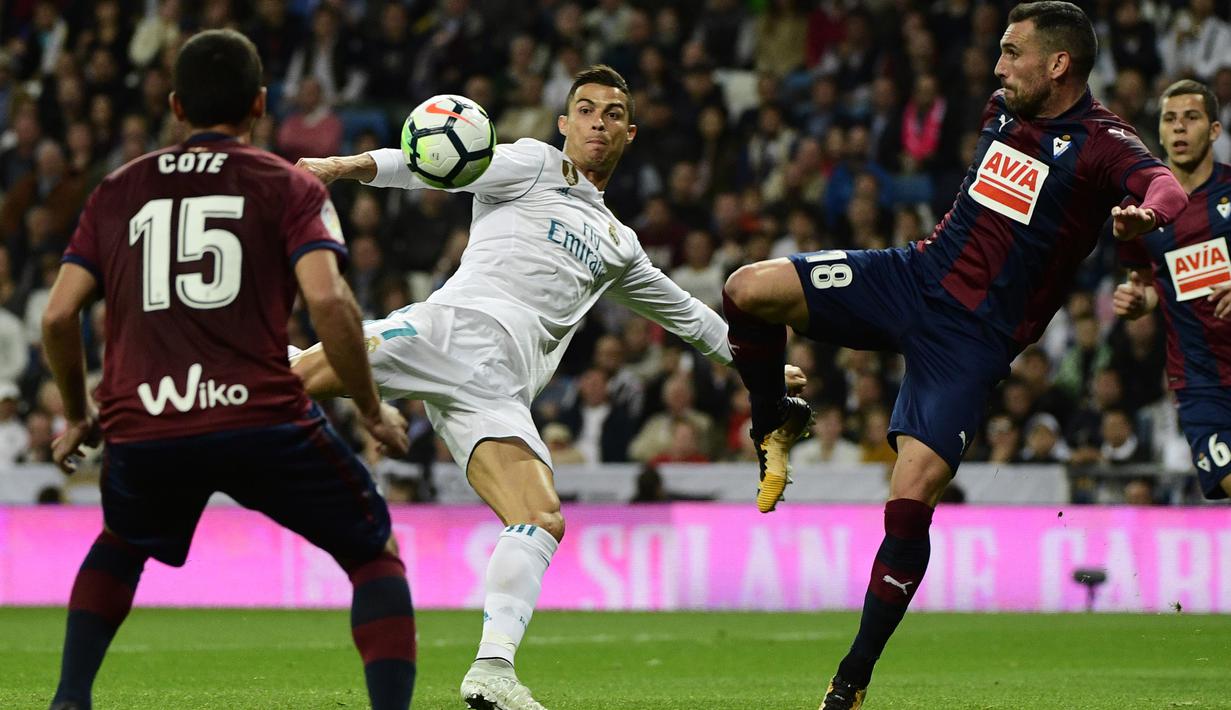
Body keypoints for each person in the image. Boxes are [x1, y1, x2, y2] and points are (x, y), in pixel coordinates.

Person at [720, 3, 1188, 708]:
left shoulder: (1102, 142)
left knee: (910, 503)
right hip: (912, 278)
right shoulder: (1001, 110)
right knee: (746, 289)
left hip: (972, 341)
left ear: (1058, 64)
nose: (997, 67)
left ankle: (850, 681)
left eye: (1012, 52)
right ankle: (774, 419)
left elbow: (1166, 185)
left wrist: (1147, 214)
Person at [295, 64, 802, 710]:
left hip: (500, 389)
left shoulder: (620, 245)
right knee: (295, 382)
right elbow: (433, 165)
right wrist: (342, 166)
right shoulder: (534, 165)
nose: (598, 122)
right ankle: (215, 375)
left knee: (539, 518)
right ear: (564, 123)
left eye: (612, 114)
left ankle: (492, 671)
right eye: (585, 110)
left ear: (629, 133)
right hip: (452, 330)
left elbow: (689, 318)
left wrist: (760, 368)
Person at [42, 30, 414, 710]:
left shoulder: (117, 190)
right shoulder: (289, 185)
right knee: (372, 552)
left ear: (176, 106)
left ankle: (69, 699)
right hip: (260, 418)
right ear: (261, 104)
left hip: (147, 420)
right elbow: (330, 301)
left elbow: (59, 317)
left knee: (121, 543)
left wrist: (76, 415)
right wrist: (369, 408)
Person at [1113, 78, 1231, 501]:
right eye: (1170, 119)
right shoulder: (1139, 211)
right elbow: (1146, 284)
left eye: (1192, 117)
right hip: (1201, 381)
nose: (1179, 127)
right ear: (1159, 132)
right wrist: (1136, 302)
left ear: (1214, 130)